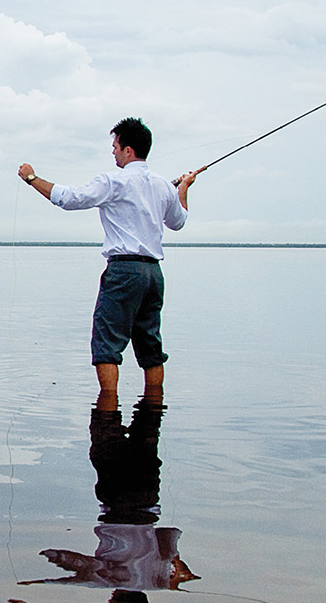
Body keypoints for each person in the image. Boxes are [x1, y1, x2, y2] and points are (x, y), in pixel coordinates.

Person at [17, 117, 198, 397]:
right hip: (154, 275)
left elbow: (69, 199)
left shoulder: (113, 181)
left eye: (115, 146)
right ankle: (152, 412)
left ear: (128, 150)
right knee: (151, 348)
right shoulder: (163, 186)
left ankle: (108, 414)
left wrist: (31, 178)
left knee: (106, 347)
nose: (112, 151)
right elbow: (179, 222)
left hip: (124, 272)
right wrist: (182, 191)